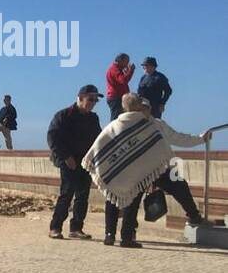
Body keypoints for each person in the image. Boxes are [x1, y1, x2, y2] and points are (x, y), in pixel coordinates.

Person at [83, 93, 212, 247]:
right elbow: (102, 146)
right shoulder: (119, 125)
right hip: (129, 171)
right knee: (116, 193)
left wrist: (200, 138)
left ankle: (193, 216)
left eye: (146, 108)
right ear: (135, 108)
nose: (144, 110)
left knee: (178, 184)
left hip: (155, 168)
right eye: (141, 107)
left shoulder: (156, 124)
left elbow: (178, 138)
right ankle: (112, 234)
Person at [46, 84, 103, 239]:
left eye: (95, 100)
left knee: (82, 195)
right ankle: (55, 227)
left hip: (86, 161)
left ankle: (76, 228)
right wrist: (65, 157)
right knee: (67, 193)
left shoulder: (93, 118)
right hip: (68, 161)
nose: (92, 103)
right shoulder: (64, 115)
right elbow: (52, 138)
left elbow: (98, 139)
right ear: (80, 98)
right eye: (90, 99)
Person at [104, 53, 135, 120]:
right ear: (121, 61)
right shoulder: (114, 69)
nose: (127, 64)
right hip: (116, 98)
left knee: (120, 118)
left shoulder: (116, 69)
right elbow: (123, 80)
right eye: (126, 61)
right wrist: (130, 71)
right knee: (116, 119)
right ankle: (113, 130)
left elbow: (123, 81)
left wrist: (127, 73)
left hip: (117, 97)